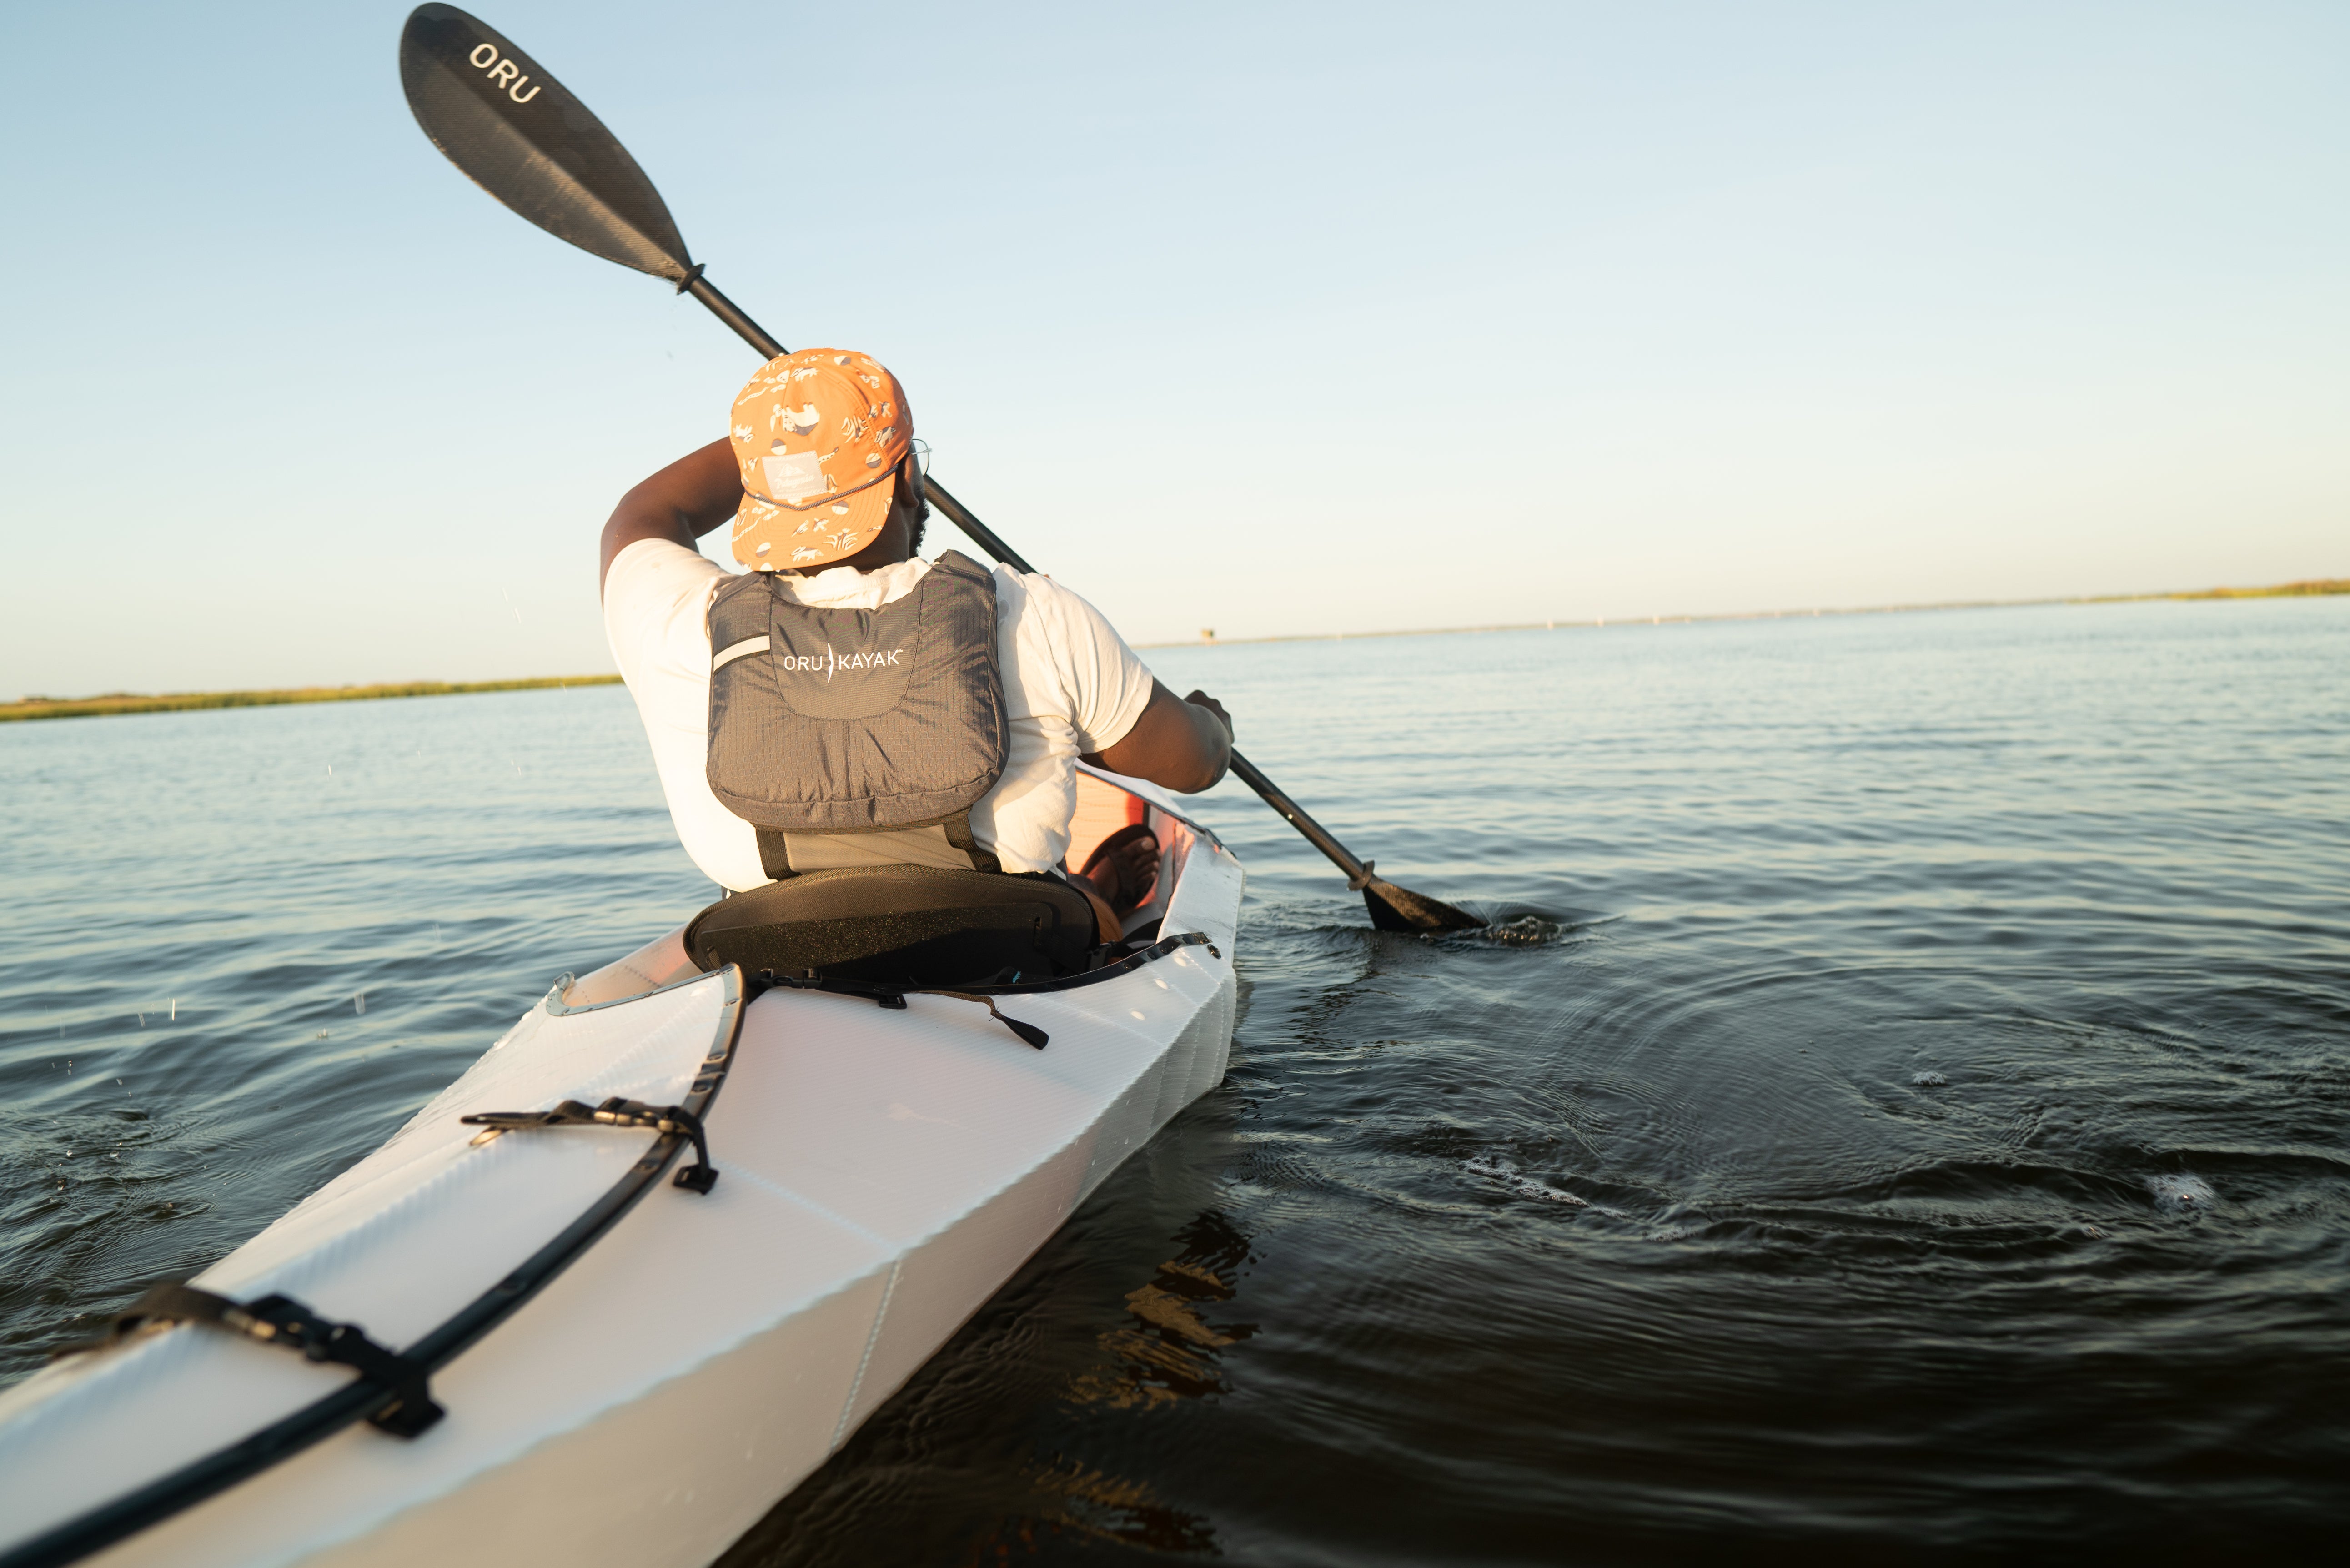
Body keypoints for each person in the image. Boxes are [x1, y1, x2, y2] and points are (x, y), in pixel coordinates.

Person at [599, 347, 1231, 959]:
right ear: (906, 478)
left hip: (782, 957)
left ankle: (1094, 890)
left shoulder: (682, 623)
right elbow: (1194, 765)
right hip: (1009, 958)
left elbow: (647, 510)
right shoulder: (1033, 614)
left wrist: (781, 447)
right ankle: (1098, 893)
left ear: (755, 491)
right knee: (1071, 892)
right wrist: (1213, 722)